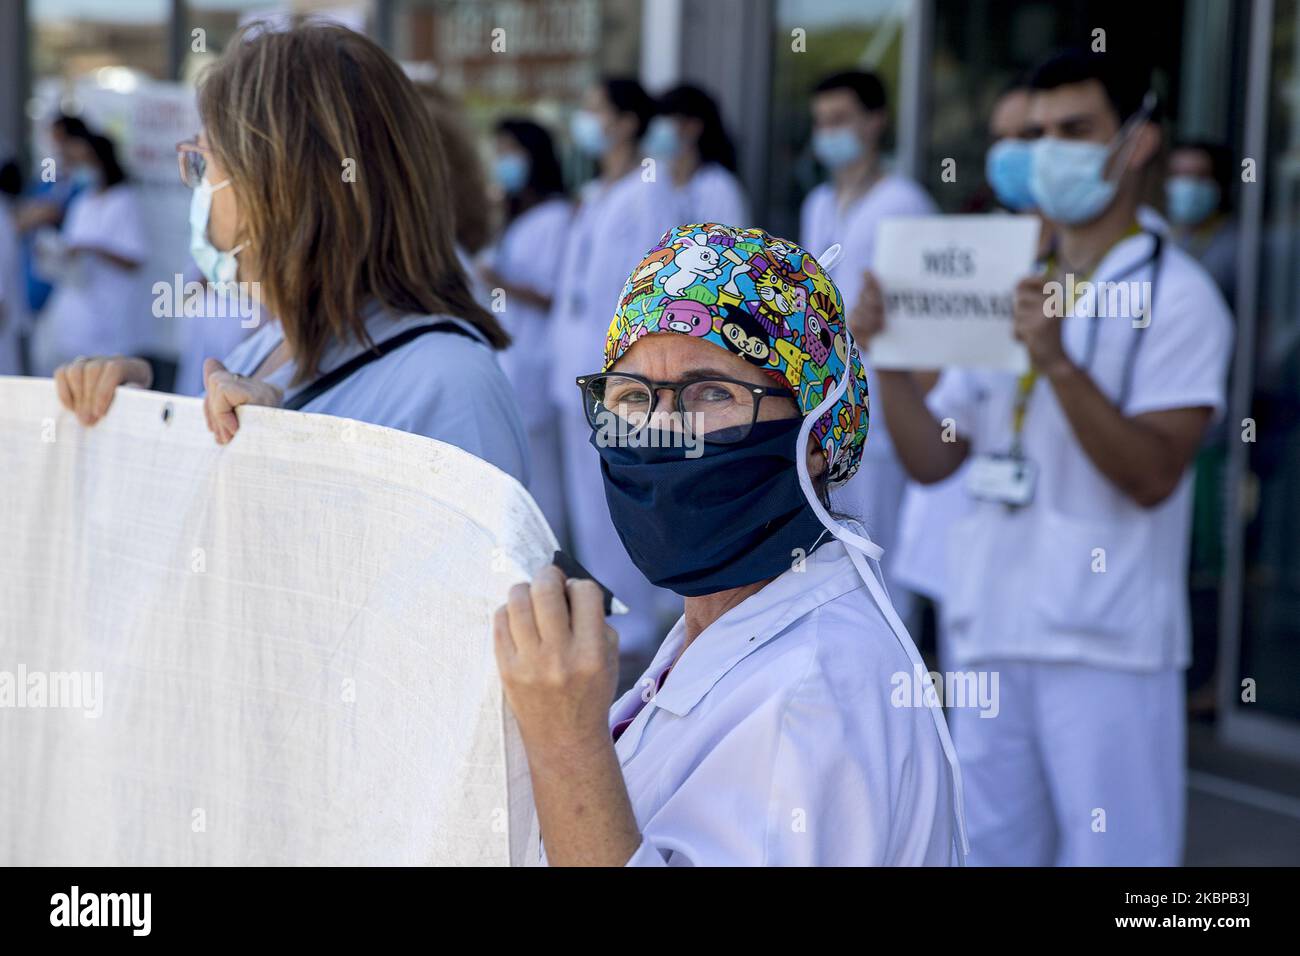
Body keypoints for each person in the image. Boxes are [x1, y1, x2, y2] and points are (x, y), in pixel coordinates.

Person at [850, 49, 1232, 866]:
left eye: (1075, 130)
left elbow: (1153, 473)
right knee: (986, 850)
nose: (1050, 150)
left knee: (1120, 861)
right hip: (987, 622)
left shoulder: (1179, 298)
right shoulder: (1007, 278)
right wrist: (885, 359)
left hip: (1106, 641)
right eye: (1039, 132)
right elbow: (936, 460)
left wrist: (1057, 362)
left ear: (1136, 143)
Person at [494, 223, 965, 866]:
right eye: (632, 395)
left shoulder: (810, 697)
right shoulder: (729, 623)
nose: (662, 430)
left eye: (711, 392)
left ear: (820, 433)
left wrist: (566, 744)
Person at [52, 22, 528, 486]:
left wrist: (283, 461)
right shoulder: (270, 346)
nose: (198, 192)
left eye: (205, 164)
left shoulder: (451, 387)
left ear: (281, 191)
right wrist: (138, 421)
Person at [549, 77, 681, 675]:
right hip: (575, 367)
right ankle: (614, 616)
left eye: (596, 107)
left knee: (624, 500)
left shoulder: (648, 188)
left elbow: (656, 287)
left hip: (621, 377)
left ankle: (642, 627)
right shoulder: (598, 191)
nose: (587, 119)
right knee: (589, 507)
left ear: (628, 122)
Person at [800, 70, 937, 620]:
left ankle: (894, 678)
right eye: (821, 122)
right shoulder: (818, 202)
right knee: (834, 551)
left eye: (840, 120)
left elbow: (922, 316)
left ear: (875, 121)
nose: (828, 132)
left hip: (884, 403)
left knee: (881, 552)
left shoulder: (905, 203)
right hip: (825, 403)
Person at [480, 118, 573, 541]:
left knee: (543, 476)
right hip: (514, 357)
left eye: (509, 152)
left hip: (536, 357)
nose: (502, 162)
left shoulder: (556, 216)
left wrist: (501, 283)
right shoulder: (519, 212)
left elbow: (555, 293)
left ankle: (548, 560)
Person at [31, 130, 150, 376]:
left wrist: (94, 248)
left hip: (108, 317)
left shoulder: (124, 200)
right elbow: (69, 246)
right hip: (73, 313)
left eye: (85, 160)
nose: (80, 167)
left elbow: (135, 259)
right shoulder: (82, 201)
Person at [641, 84, 749, 226]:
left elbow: (731, 243)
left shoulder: (719, 187)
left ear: (694, 126)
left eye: (669, 119)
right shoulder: (652, 174)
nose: (659, 129)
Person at [1165, 140, 1237, 304]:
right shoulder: (1157, 234)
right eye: (1178, 174)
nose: (1187, 185)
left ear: (1219, 184)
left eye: (1199, 176)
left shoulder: (1237, 245)